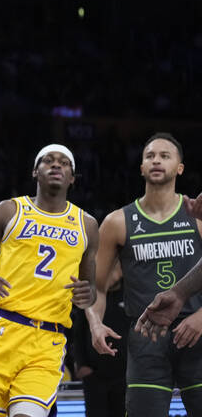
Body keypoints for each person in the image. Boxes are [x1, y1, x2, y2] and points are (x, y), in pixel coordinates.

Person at [0, 144, 99, 417]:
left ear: (72, 178)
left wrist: (87, 294)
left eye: (64, 163)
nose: (56, 165)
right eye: (48, 160)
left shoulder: (87, 225)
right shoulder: (8, 211)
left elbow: (90, 288)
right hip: (3, 332)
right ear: (35, 171)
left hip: (49, 340)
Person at [85, 133, 201, 416]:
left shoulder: (197, 214)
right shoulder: (116, 221)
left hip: (196, 330)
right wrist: (95, 324)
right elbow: (96, 287)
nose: (156, 160)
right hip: (145, 334)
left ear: (180, 167)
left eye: (165, 155)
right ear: (141, 168)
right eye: (150, 156)